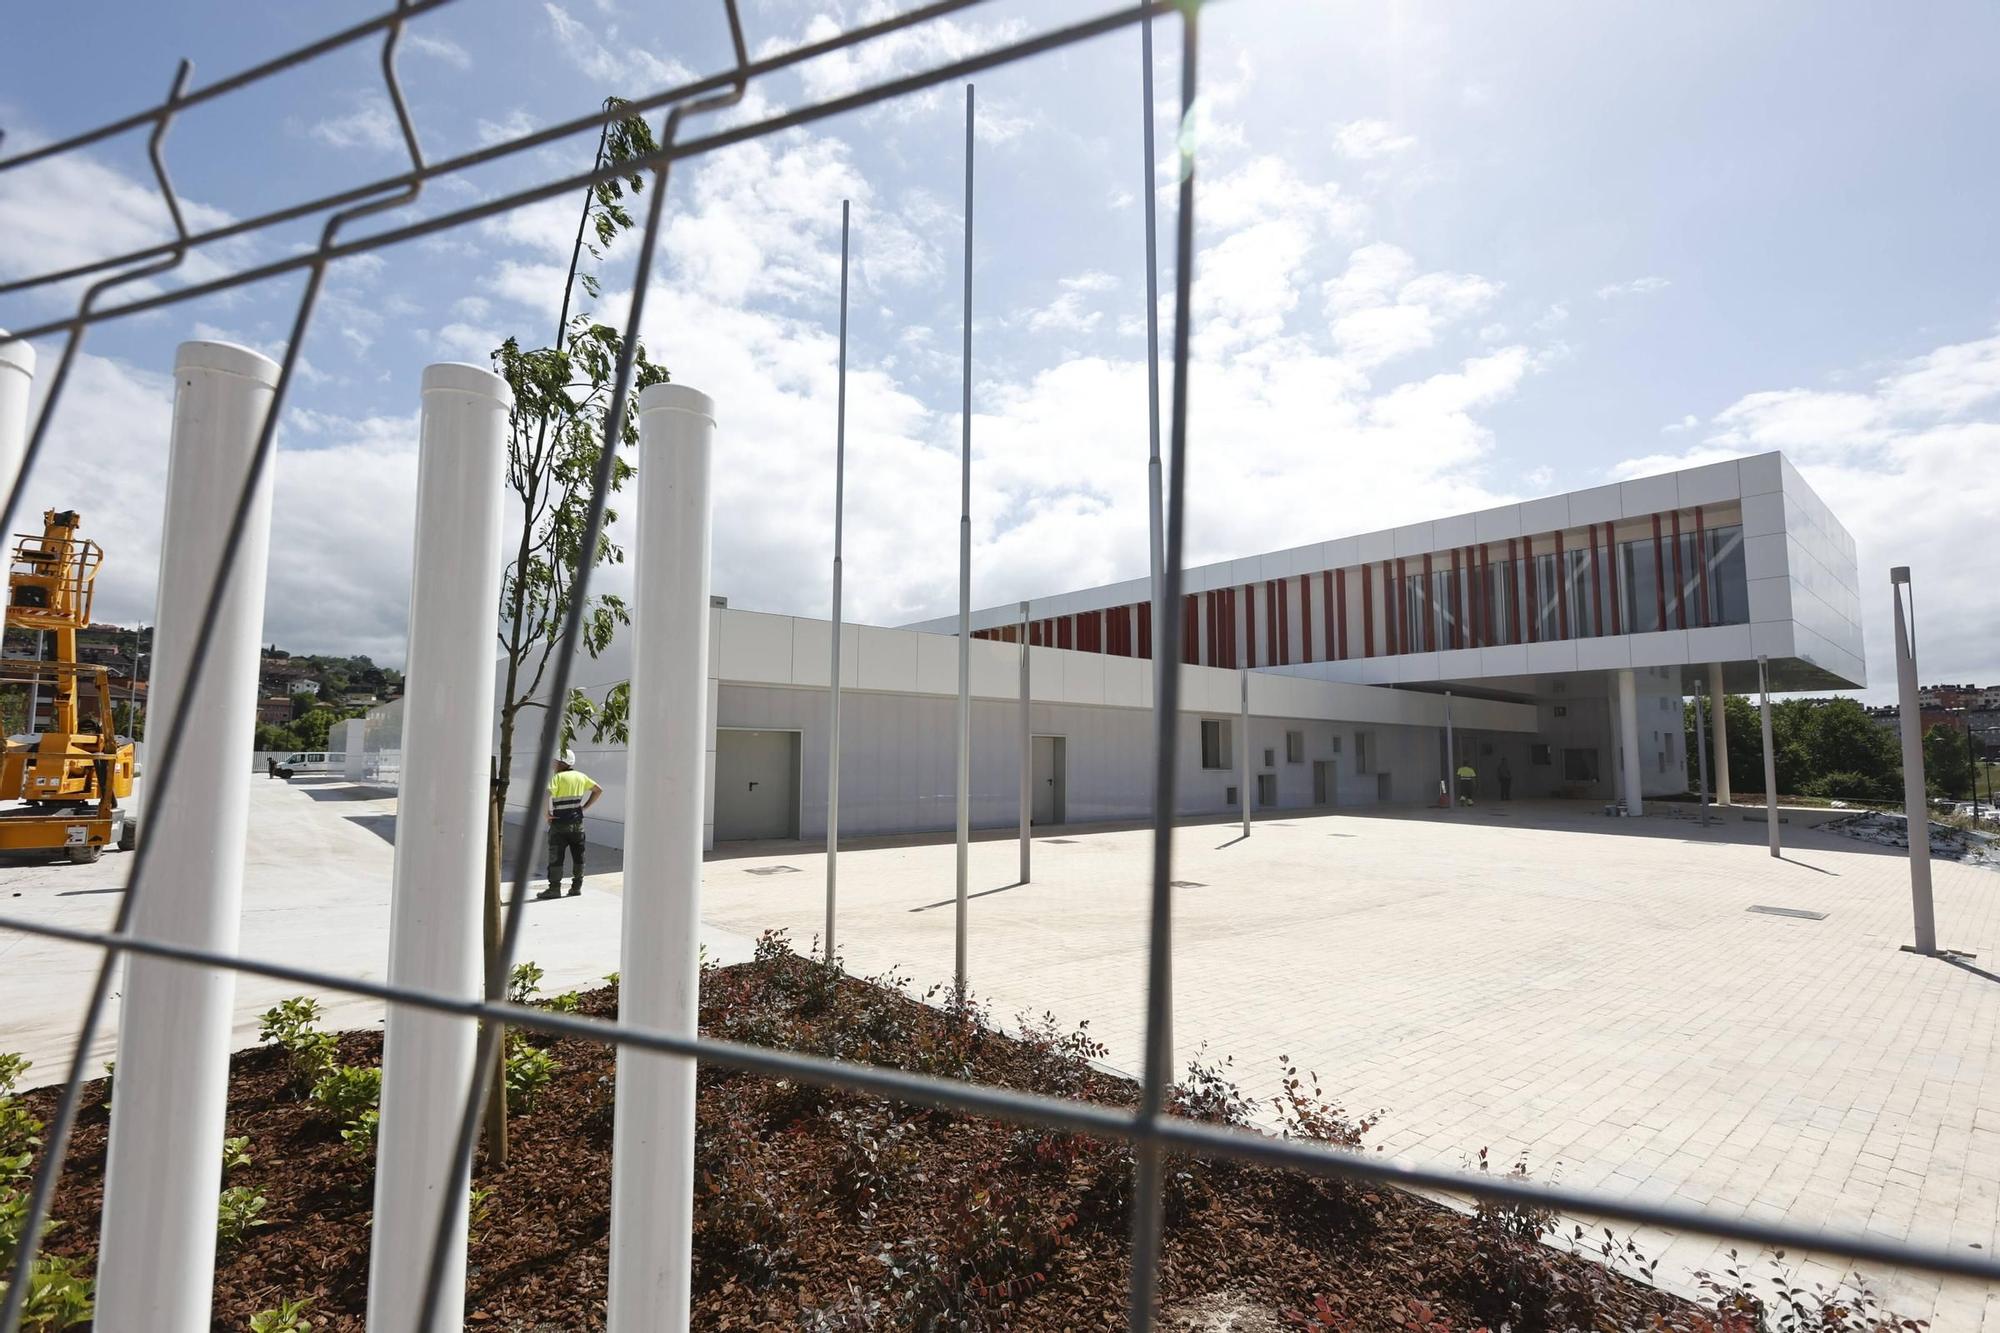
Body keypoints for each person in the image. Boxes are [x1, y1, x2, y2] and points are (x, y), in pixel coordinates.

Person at [538, 749, 602, 900]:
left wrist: (546, 814)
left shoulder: (557, 778)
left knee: (556, 857)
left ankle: (554, 889)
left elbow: (545, 794)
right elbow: (598, 790)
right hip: (577, 825)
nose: (553, 765)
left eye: (555, 762)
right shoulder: (581, 776)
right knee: (579, 857)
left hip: (559, 825)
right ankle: (576, 887)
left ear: (562, 763)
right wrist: (585, 807)